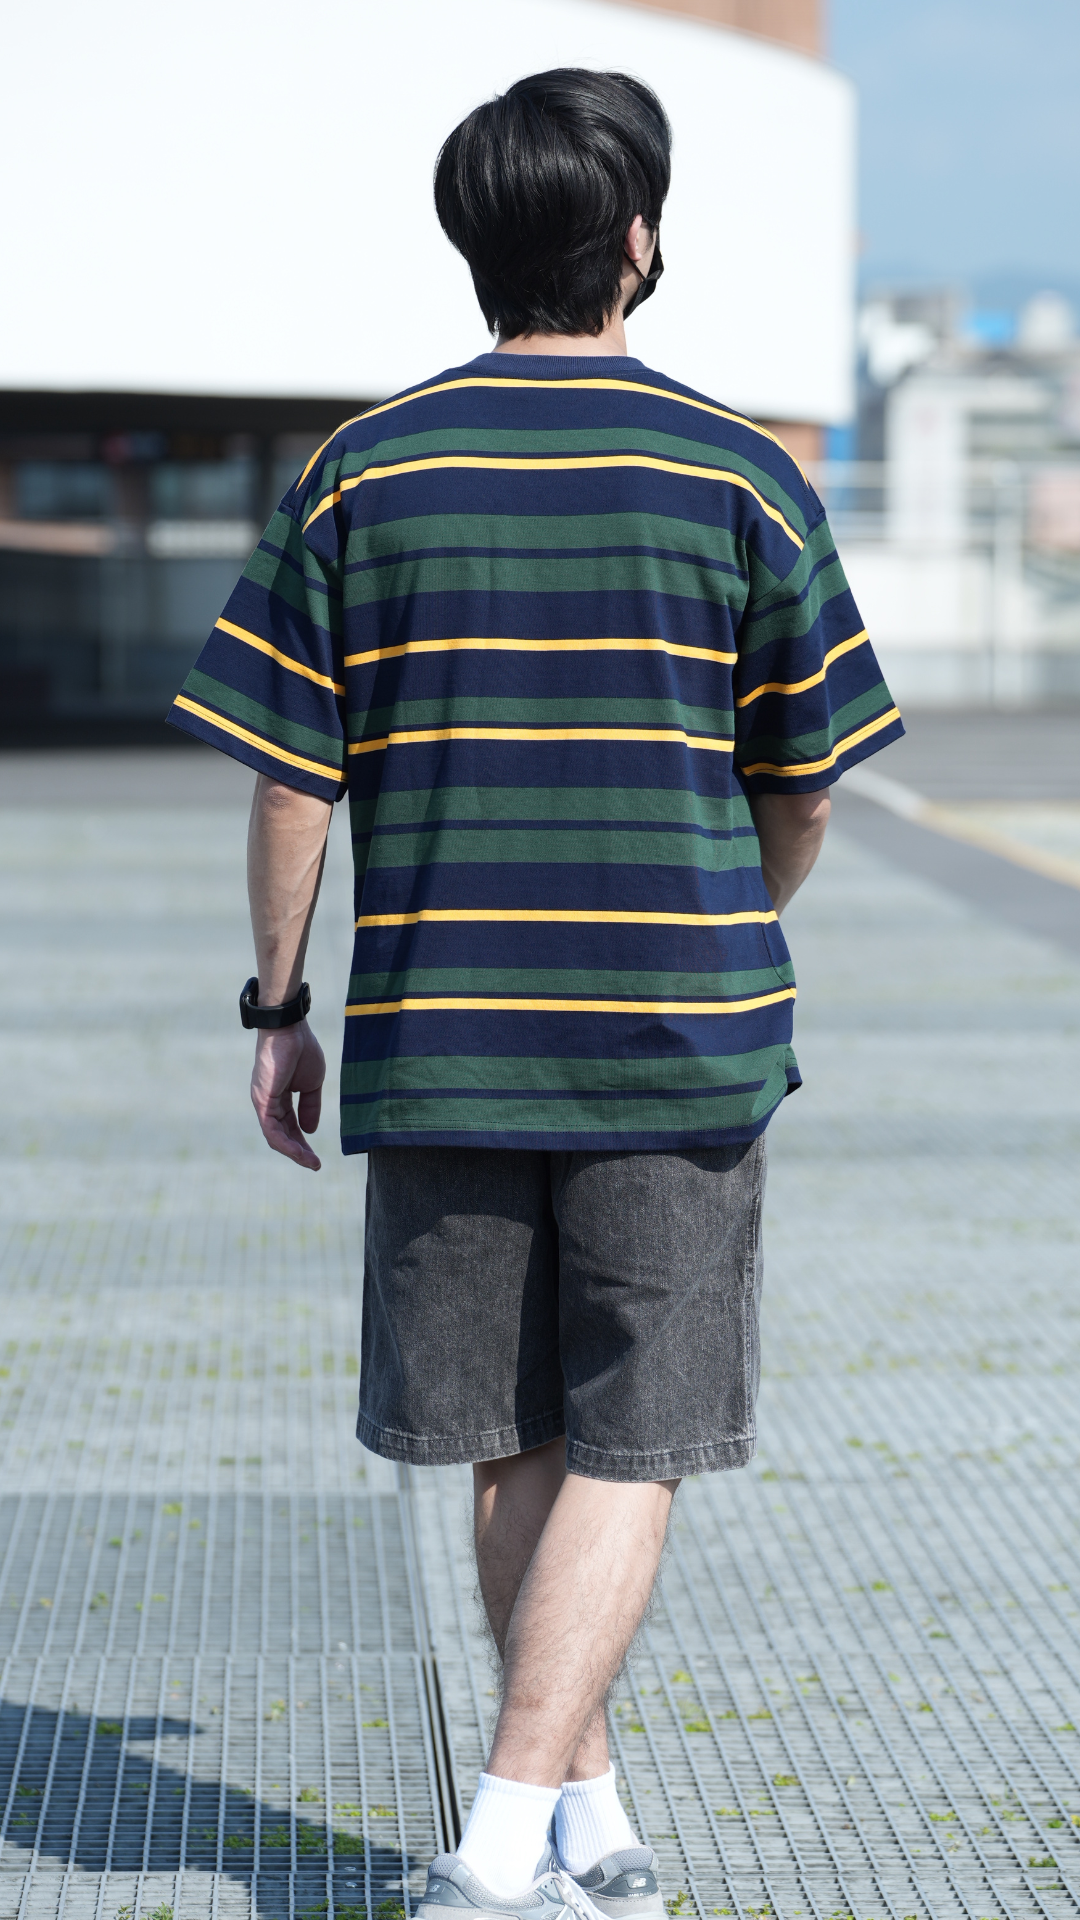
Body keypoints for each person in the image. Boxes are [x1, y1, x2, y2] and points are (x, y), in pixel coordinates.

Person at [168, 66, 902, 1920]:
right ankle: (510, 1844)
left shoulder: (366, 467)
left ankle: (583, 1814)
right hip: (680, 1041)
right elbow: (807, 781)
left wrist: (277, 1008)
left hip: (442, 1033)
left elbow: (289, 780)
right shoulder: (741, 473)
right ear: (638, 239)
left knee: (511, 1440)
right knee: (635, 1446)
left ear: (474, 241)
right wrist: (733, 915)